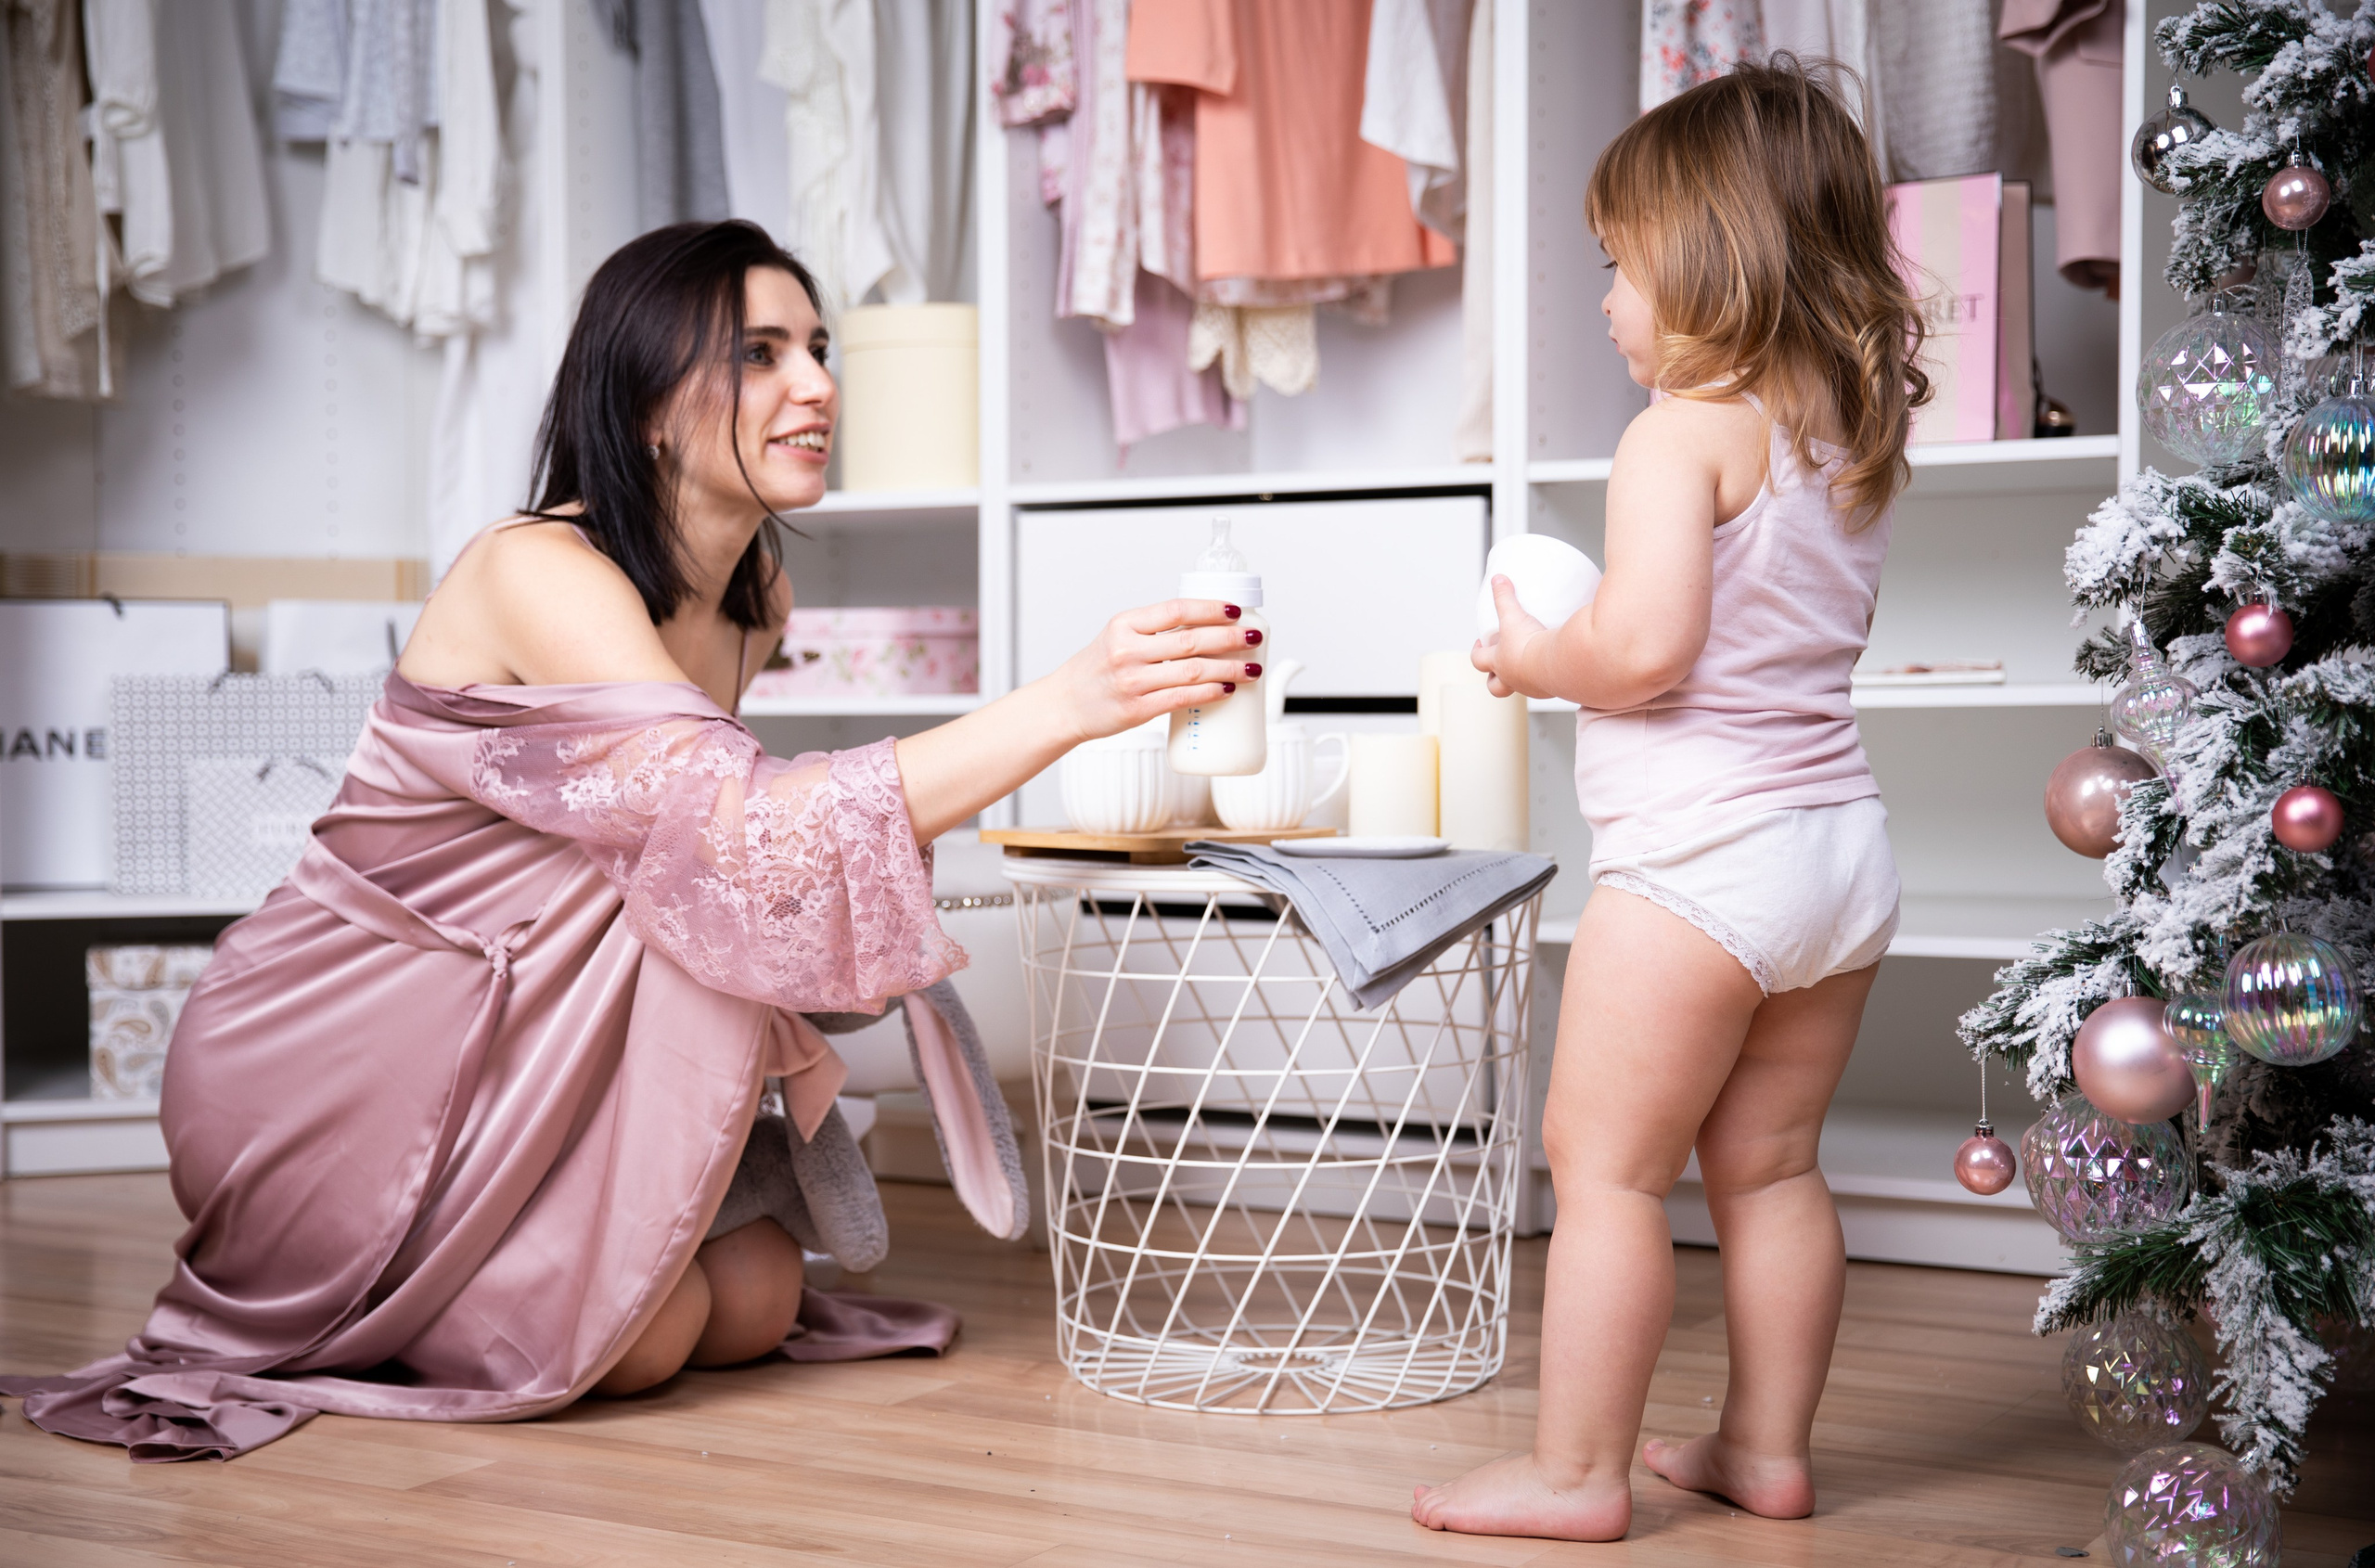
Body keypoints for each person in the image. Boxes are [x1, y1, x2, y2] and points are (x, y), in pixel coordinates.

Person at [0, 221, 1265, 1460]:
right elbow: (741, 828)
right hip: (358, 1054)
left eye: (817, 347)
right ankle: (395, 1264)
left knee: (759, 1296)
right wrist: (1066, 704)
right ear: (652, 401)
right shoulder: (536, 570)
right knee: (644, 1341)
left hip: (532, 1035)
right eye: (760, 354)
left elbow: (687, 864)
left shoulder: (755, 596)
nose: (818, 383)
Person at [1412, 58, 1928, 1540]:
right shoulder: (1842, 433)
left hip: (1702, 869)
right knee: (1769, 1168)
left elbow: (1641, 652)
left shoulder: (1674, 436)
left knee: (1608, 1171)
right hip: (1839, 855)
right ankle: (1765, 1449)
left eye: (1619, 267)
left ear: (1710, 260)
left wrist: (1531, 654)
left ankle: (1578, 1475)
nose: (1605, 301)